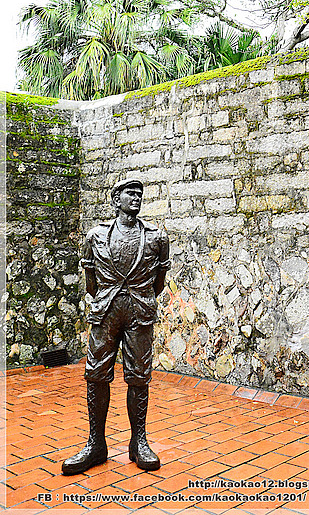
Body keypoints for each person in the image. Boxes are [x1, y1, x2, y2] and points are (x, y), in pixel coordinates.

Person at [62, 178, 170, 475]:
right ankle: (96, 443)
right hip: (105, 313)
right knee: (96, 374)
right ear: (115, 199)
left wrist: (137, 298)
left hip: (139, 312)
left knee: (139, 377)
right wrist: (111, 299)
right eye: (130, 194)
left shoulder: (157, 237)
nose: (136, 198)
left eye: (139, 194)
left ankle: (139, 442)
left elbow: (158, 284)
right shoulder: (95, 236)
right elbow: (91, 283)